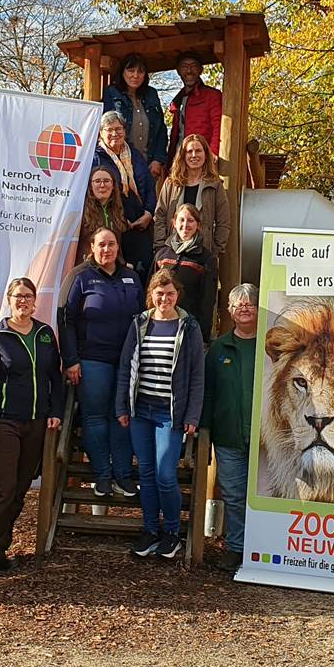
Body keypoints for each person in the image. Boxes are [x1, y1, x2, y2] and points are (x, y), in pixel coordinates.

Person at [0, 278, 64, 572]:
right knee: (1, 492)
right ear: (8, 301)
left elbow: (55, 377)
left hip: (36, 423)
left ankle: (1, 551)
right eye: (17, 296)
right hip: (3, 424)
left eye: (28, 296)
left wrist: (55, 410)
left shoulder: (44, 334)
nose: (23, 301)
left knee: (21, 489)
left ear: (35, 301)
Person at [116, 269, 205, 560]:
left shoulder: (188, 326)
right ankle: (150, 529)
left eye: (169, 293)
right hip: (141, 410)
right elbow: (126, 367)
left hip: (171, 413)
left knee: (166, 475)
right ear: (151, 295)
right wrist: (122, 406)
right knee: (147, 473)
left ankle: (172, 532)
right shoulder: (139, 324)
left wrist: (192, 415)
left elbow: (196, 375)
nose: (164, 298)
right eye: (159, 293)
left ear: (177, 295)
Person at [61, 227, 144, 498]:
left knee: (121, 418)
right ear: (92, 248)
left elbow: (144, 317)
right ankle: (103, 476)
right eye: (101, 245)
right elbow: (66, 320)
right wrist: (71, 360)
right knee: (95, 417)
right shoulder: (80, 277)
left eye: (111, 244)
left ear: (118, 248)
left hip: (126, 361)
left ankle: (122, 475)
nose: (106, 250)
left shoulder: (131, 278)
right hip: (92, 360)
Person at [203, 283, 258, 571]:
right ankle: (237, 547)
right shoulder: (219, 349)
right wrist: (204, 429)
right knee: (235, 495)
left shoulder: (271, 347)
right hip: (228, 435)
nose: (245, 308)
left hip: (266, 438)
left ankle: (266, 546)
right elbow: (208, 392)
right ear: (230, 312)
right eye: (238, 304)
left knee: (264, 494)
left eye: (250, 303)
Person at [92, 111, 158, 277]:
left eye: (119, 128)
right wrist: (119, 217)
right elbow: (96, 193)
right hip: (115, 227)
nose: (115, 133)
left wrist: (149, 213)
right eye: (110, 129)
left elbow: (150, 187)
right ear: (100, 133)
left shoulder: (135, 155)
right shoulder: (96, 159)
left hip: (141, 226)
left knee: (143, 273)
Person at [153, 134, 231, 259]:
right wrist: (161, 247)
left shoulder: (215, 185)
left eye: (198, 151)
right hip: (172, 250)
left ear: (206, 154)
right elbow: (160, 216)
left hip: (203, 252)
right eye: (189, 151)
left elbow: (224, 222)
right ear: (183, 156)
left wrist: (215, 250)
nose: (194, 155)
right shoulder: (171, 183)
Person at [152, 203, 218, 342]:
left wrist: (203, 335)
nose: (185, 224)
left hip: (188, 328)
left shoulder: (206, 259)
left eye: (191, 220)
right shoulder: (161, 255)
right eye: (181, 220)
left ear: (198, 225)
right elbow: (149, 290)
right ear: (174, 223)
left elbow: (207, 301)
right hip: (160, 325)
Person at [103, 53, 169, 181]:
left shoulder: (151, 94)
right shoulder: (111, 93)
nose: (136, 75)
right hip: (120, 164)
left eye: (140, 71)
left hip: (148, 165)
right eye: (131, 70)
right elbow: (105, 129)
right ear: (122, 72)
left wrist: (158, 160)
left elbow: (161, 130)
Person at [166, 51, 222, 163]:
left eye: (193, 66)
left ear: (201, 70)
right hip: (180, 160)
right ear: (178, 71)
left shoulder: (212, 95)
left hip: (202, 160)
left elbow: (218, 125)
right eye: (184, 67)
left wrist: (214, 151)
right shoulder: (179, 99)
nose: (189, 71)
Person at [76, 166, 128, 266]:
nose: (102, 185)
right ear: (91, 186)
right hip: (88, 268)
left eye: (106, 181)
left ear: (113, 185)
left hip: (114, 270)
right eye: (97, 181)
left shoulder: (119, 211)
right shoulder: (81, 211)